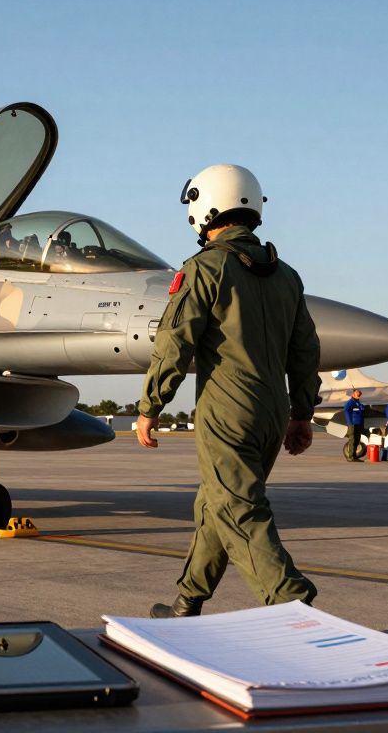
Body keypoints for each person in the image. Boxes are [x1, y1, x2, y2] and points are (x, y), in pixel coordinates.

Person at [136, 164, 319, 617]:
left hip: (228, 408)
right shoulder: (287, 276)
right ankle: (187, 603)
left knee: (239, 510)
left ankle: (294, 608)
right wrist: (301, 414)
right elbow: (306, 352)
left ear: (205, 207)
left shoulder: (204, 269)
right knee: (217, 503)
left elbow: (175, 340)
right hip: (272, 410)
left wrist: (150, 405)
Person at [344, 389, 366, 461]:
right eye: (357, 394)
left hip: (358, 424)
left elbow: (360, 411)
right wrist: (350, 423)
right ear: (353, 394)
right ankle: (350, 457)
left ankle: (354, 456)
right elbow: (347, 411)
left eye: (359, 395)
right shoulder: (350, 403)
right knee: (352, 440)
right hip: (353, 424)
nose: (359, 396)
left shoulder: (357, 402)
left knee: (357, 440)